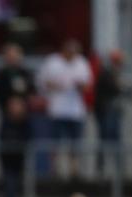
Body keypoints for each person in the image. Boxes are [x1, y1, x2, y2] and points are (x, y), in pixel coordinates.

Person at [37, 39, 92, 178]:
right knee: (55, 141)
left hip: (75, 110)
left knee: (75, 142)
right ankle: (54, 168)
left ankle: (74, 169)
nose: (72, 55)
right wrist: (55, 85)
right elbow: (41, 82)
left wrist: (79, 85)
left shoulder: (81, 63)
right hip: (57, 109)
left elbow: (88, 86)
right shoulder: (52, 62)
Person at [0, 96, 31, 197]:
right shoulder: (5, 121)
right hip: (7, 161)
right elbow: (2, 136)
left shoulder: (25, 122)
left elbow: (29, 137)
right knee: (9, 185)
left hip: (20, 161)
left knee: (23, 188)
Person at [94, 50, 124, 177]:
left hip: (111, 111)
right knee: (106, 139)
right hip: (106, 112)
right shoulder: (106, 73)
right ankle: (101, 168)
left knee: (115, 140)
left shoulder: (112, 72)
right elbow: (115, 88)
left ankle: (118, 169)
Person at [0, 43, 34, 119]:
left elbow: (31, 90)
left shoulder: (25, 73)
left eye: (15, 55)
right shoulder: (1, 74)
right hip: (6, 111)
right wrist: (10, 104)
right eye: (10, 55)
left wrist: (22, 104)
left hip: (24, 111)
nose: (13, 58)